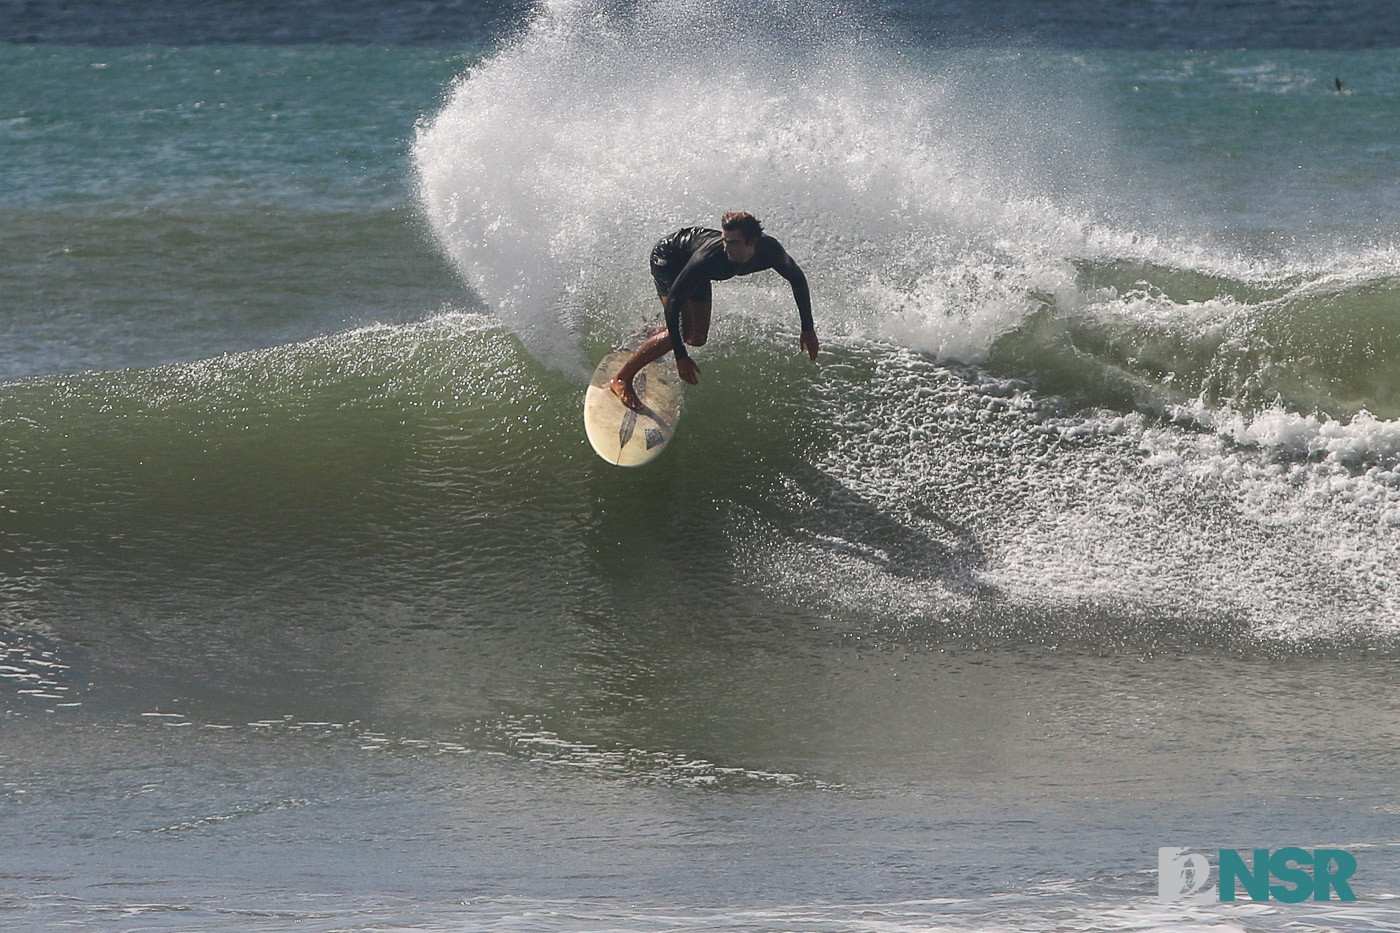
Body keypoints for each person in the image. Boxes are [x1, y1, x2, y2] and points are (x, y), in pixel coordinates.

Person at [609, 211, 819, 410]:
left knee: (697, 337)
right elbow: (673, 303)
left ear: (753, 241)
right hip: (669, 259)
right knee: (683, 330)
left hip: (693, 265)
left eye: (734, 242)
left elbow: (797, 279)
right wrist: (680, 356)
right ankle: (621, 378)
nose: (727, 247)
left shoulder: (770, 251)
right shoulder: (709, 258)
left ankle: (654, 333)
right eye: (725, 240)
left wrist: (807, 327)